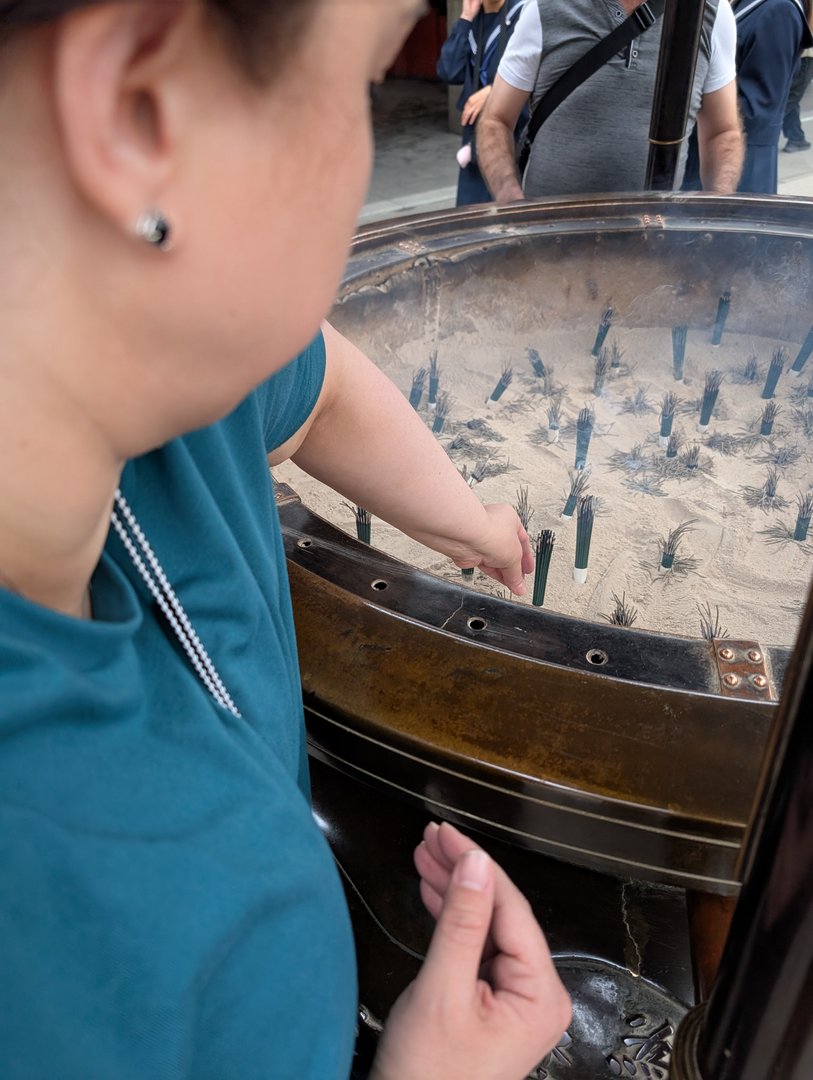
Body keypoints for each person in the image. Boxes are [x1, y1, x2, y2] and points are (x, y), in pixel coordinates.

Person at [0, 1, 572, 1078]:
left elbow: (312, 387)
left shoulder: (146, 357)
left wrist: (474, 523)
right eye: (358, 83)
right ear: (139, 111)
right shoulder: (93, 953)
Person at [476, 0, 743, 202]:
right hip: (548, 242)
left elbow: (722, 132)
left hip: (655, 244)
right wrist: (511, 201)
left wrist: (716, 208)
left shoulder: (707, 13)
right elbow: (496, 119)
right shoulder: (544, 8)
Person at [436, 0, 526, 205]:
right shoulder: (473, 22)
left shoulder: (523, 13)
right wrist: (465, 18)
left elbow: (540, 72)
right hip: (474, 138)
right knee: (472, 219)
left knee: (509, 213)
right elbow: (449, 71)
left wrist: (495, 91)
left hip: (512, 133)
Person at [733, 0, 813, 192]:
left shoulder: (779, 9)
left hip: (745, 164)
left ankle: (796, 136)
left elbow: (758, 108)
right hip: (733, 155)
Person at [782, 42, 813, 152]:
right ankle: (796, 137)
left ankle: (761, 134)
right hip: (793, 55)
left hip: (804, 55)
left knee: (789, 99)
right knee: (789, 98)